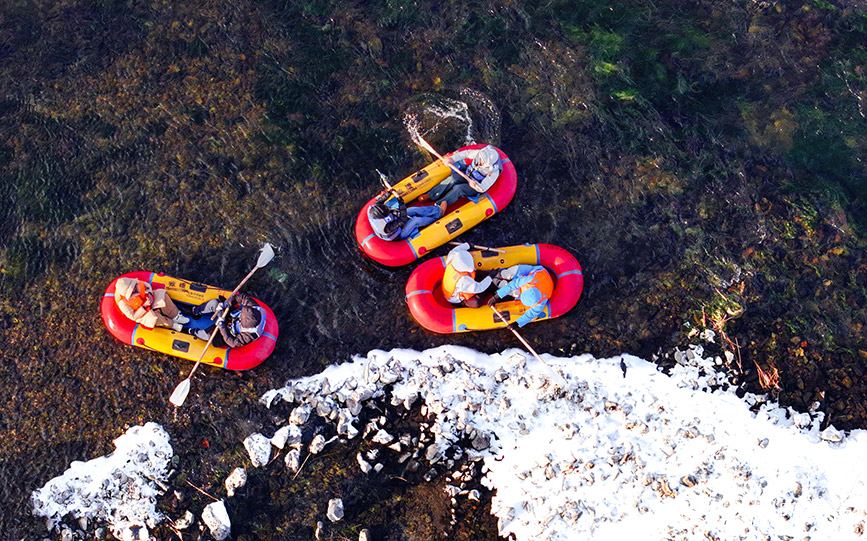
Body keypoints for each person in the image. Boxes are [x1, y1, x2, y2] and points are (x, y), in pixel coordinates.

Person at [418, 145, 502, 207]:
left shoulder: (494, 172)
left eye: (481, 161)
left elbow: (484, 187)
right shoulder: (481, 153)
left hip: (475, 187)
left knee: (459, 188)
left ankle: (439, 205)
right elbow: (465, 154)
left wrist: (475, 186)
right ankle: (432, 195)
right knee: (452, 178)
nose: (479, 160)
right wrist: (451, 159)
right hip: (466, 175)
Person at [187, 293, 265, 348]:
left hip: (230, 331)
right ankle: (195, 312)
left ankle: (192, 331)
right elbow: (242, 297)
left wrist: (222, 327)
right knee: (215, 303)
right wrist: (226, 304)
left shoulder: (249, 335)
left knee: (211, 336)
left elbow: (233, 343)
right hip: (230, 316)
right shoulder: (253, 307)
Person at [487, 264, 554, 328]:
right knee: (512, 272)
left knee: (515, 293)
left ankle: (500, 283)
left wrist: (517, 323)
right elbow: (513, 284)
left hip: (543, 284)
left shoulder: (541, 302)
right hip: (532, 273)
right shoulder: (530, 280)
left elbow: (531, 314)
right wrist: (497, 296)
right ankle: (501, 275)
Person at [114, 277, 189, 331]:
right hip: (142, 313)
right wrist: (144, 306)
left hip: (149, 300)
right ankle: (172, 324)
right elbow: (133, 316)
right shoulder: (122, 303)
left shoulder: (134, 282)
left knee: (161, 294)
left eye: (133, 287)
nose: (134, 289)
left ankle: (175, 316)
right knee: (153, 318)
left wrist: (149, 294)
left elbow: (147, 286)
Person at [367, 197, 446, 241]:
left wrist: (388, 193)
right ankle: (437, 218)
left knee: (412, 210)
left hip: (394, 221)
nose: (387, 208)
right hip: (399, 233)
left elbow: (380, 201)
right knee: (416, 220)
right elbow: (402, 220)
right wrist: (401, 204)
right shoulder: (386, 228)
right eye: (386, 210)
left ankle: (437, 211)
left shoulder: (374, 209)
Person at [441, 242, 493, 308]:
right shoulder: (463, 281)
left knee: (480, 274)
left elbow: (457, 249)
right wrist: (491, 277)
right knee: (477, 303)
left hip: (452, 287)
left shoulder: (452, 256)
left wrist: (468, 245)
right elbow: (479, 288)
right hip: (457, 298)